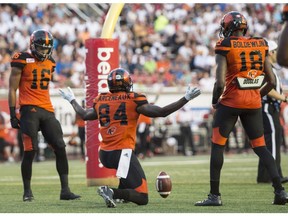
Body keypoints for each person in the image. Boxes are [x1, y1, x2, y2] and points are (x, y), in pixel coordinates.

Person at [59, 68, 201, 208]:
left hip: (104, 154)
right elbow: (162, 112)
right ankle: (112, 192)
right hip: (122, 153)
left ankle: (120, 194)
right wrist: (185, 99)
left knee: (129, 176)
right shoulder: (133, 99)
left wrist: (71, 100)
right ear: (127, 83)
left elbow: (84, 115)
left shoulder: (100, 99)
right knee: (142, 196)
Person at [195, 11, 288, 206]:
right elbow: (271, 80)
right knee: (261, 148)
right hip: (253, 104)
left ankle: (214, 196)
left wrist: (214, 101)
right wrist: (257, 95)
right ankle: (280, 192)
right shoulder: (260, 43)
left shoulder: (225, 44)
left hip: (230, 102)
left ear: (227, 27)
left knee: (218, 146)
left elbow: (219, 82)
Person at [8, 29, 80, 201]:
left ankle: (65, 190)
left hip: (47, 109)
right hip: (28, 109)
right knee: (30, 149)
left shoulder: (51, 63)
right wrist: (12, 113)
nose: (44, 52)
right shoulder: (21, 59)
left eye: (47, 48)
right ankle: (27, 191)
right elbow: (12, 88)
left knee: (60, 147)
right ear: (33, 46)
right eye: (41, 48)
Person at [257, 40, 288, 184]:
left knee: (270, 141)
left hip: (270, 107)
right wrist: (283, 98)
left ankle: (265, 175)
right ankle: (274, 175)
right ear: (270, 52)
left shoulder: (269, 67)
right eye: (276, 51)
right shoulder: (266, 66)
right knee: (273, 140)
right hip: (267, 107)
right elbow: (266, 87)